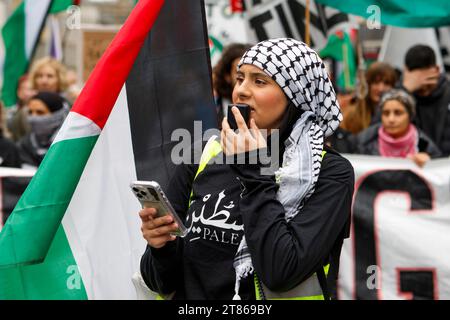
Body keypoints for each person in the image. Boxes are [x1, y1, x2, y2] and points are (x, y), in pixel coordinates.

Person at [139, 38, 355, 300]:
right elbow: (160, 282)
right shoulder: (203, 153)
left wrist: (253, 173)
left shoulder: (330, 171)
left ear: (296, 96)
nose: (241, 90)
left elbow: (282, 271)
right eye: (240, 78)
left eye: (259, 81)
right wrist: (160, 247)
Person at [356, 89, 441, 167]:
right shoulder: (363, 143)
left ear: (410, 116)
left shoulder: (425, 146)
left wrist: (430, 163)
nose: (391, 119)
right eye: (386, 113)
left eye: (398, 113)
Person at [400, 44, 450, 156]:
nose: (422, 86)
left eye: (427, 80)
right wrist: (405, 90)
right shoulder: (399, 97)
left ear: (436, 70)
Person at [341, 62, 397, 134]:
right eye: (376, 82)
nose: (381, 88)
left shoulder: (397, 117)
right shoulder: (351, 115)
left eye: (386, 83)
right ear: (367, 84)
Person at [17, 91, 69, 168]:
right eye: (30, 112)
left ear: (57, 115)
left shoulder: (68, 142)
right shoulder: (25, 144)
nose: (33, 118)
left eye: (40, 112)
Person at [213, 43, 252, 127]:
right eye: (240, 76)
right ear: (227, 76)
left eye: (258, 79)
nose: (247, 82)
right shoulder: (213, 109)